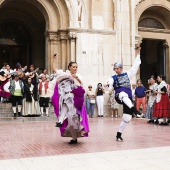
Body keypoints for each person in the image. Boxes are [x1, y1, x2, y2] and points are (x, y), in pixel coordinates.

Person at [51, 54, 89, 144]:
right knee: (70, 121)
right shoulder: (65, 74)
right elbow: (55, 69)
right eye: (73, 67)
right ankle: (73, 138)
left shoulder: (78, 76)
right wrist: (54, 59)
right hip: (67, 99)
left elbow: (81, 86)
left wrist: (77, 79)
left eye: (76, 67)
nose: (75, 68)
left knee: (74, 122)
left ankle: (61, 122)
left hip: (75, 102)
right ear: (69, 67)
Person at [107, 45, 141, 142]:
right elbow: (110, 82)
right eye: (115, 69)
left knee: (127, 117)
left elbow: (135, 66)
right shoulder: (113, 77)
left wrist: (138, 53)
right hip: (119, 96)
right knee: (122, 94)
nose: (115, 70)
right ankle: (134, 109)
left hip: (128, 99)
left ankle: (119, 134)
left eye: (117, 68)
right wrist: (108, 84)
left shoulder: (127, 74)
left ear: (121, 68)